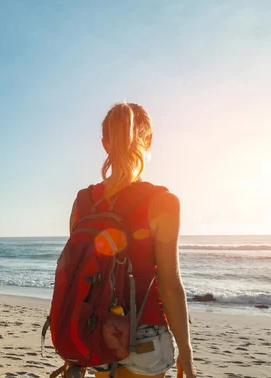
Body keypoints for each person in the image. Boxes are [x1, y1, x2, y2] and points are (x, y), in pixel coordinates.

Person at [67, 103, 196, 378]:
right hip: (146, 335)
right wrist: (185, 349)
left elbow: (78, 275)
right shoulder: (163, 202)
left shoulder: (83, 202)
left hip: (97, 330)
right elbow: (170, 284)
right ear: (148, 140)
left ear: (105, 144)